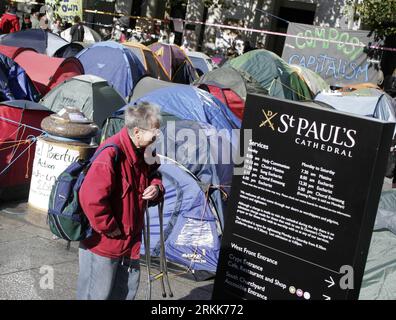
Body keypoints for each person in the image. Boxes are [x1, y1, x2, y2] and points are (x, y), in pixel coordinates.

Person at [77, 102, 165, 300]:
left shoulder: (145, 151)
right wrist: (109, 227)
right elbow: (90, 198)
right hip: (104, 244)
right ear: (137, 132)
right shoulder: (110, 154)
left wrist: (156, 188)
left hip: (130, 243)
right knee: (96, 296)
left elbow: (154, 174)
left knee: (123, 295)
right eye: (154, 133)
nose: (157, 137)